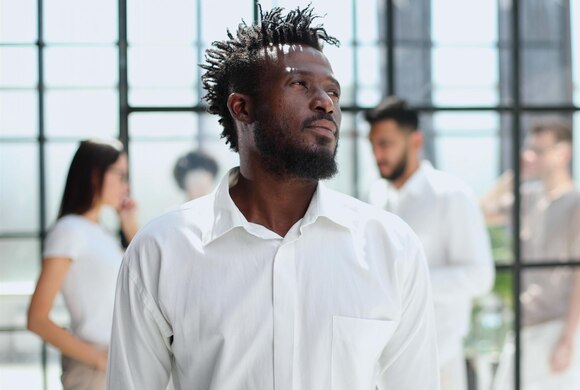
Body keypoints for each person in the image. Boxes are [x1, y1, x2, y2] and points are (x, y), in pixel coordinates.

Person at [107, 6, 439, 390]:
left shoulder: (390, 247)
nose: (325, 103)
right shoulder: (162, 250)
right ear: (242, 107)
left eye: (332, 90)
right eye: (299, 84)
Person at [365, 96, 494, 390]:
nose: (377, 154)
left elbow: (480, 276)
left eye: (386, 143)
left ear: (415, 141)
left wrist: (407, 284)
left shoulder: (451, 195)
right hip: (385, 362)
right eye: (373, 144)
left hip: (440, 362)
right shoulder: (375, 196)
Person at [482, 120, 580, 389]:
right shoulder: (527, 197)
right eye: (529, 149)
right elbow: (481, 212)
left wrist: (568, 338)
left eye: (539, 150)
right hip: (526, 321)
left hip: (556, 324)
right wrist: (516, 175)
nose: (530, 156)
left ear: (563, 154)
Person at [27, 138, 138, 390]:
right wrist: (100, 360)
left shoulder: (101, 233)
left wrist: (131, 227)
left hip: (116, 362)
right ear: (94, 174)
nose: (125, 185)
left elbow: (147, 280)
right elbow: (37, 318)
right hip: (93, 368)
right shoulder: (69, 231)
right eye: (120, 175)